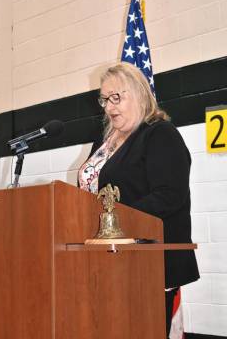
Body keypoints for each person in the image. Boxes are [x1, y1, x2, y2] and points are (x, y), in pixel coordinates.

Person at [78, 62, 199, 338]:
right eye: (105, 99)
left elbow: (170, 196)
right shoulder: (105, 142)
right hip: (108, 260)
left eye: (116, 97)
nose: (109, 107)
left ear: (139, 94)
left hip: (148, 262)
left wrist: (114, 219)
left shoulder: (159, 134)